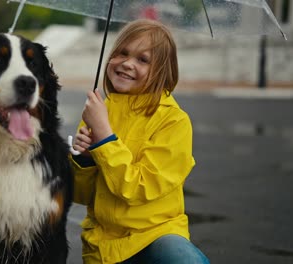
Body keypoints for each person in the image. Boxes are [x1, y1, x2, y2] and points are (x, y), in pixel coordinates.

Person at [70, 19, 210, 264]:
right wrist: (83, 159)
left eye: (142, 60)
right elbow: (81, 195)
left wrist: (104, 139)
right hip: (104, 245)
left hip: (156, 237)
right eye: (122, 53)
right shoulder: (99, 112)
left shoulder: (173, 121)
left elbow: (138, 189)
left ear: (161, 72)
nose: (127, 63)